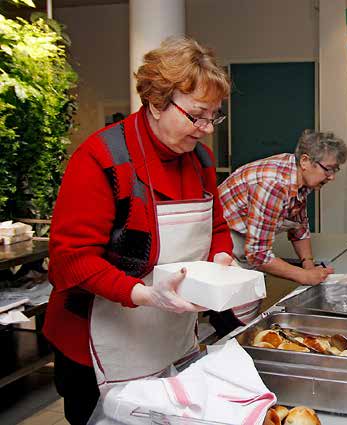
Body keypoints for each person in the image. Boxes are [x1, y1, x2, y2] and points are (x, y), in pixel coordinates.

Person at [43, 36, 234, 425]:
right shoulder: (101, 158)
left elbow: (216, 225)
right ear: (156, 101)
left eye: (213, 116)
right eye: (197, 115)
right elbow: (71, 260)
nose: (206, 129)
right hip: (95, 344)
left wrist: (221, 258)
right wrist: (144, 294)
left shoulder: (199, 159)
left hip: (168, 335)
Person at [218, 130, 347, 290]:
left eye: (335, 170)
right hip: (224, 242)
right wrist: (304, 276)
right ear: (305, 161)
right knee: (233, 307)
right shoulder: (274, 184)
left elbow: (298, 226)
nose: (331, 177)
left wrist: (308, 263)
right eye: (328, 169)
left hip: (247, 243)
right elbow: (258, 255)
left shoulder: (299, 177)